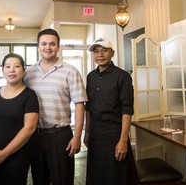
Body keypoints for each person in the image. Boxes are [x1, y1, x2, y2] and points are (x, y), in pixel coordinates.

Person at [24, 28, 88, 185]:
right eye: (44, 44)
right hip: (34, 136)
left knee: (63, 180)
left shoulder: (71, 71)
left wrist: (77, 136)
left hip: (60, 136)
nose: (48, 47)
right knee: (39, 179)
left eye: (52, 44)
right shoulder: (28, 73)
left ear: (58, 47)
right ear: (38, 47)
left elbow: (80, 105)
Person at [0, 53, 39, 185]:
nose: (12, 70)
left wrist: (4, 153)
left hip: (16, 157)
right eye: (7, 66)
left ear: (23, 70)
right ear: (3, 70)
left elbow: (29, 128)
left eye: (16, 66)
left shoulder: (30, 95)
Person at [84, 38, 134, 185]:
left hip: (115, 135)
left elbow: (127, 109)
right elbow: (88, 108)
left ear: (112, 53)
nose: (100, 55)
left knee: (115, 177)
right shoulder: (90, 77)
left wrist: (123, 140)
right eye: (96, 51)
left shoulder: (123, 76)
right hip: (95, 135)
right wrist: (87, 132)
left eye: (104, 50)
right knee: (96, 176)